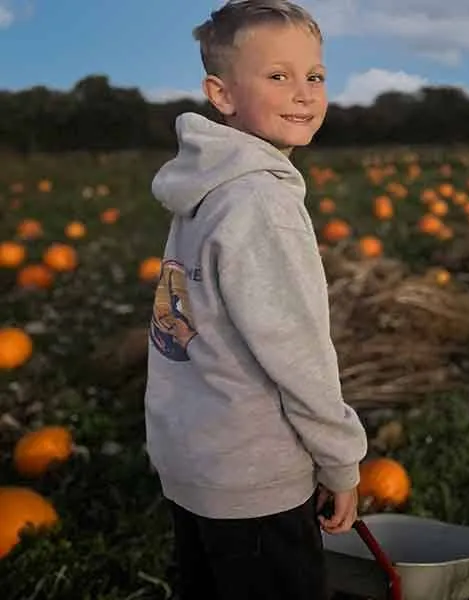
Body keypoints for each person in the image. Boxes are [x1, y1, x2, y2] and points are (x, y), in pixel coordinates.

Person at [142, 1, 368, 598]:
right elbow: (296, 353)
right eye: (277, 76)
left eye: (313, 76)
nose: (303, 93)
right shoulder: (260, 205)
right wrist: (340, 459)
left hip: (193, 463)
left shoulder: (203, 188)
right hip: (254, 475)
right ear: (221, 94)